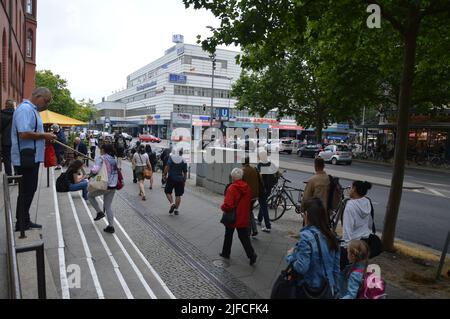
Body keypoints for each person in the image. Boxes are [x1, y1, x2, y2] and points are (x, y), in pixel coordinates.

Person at [11, 87, 56, 231]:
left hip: (31, 157)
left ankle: (25, 220)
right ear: (38, 96)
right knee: (26, 191)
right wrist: (45, 136)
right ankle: (21, 224)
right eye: (46, 101)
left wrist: (45, 137)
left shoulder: (32, 110)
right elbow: (23, 133)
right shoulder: (25, 109)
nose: (46, 104)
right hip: (25, 159)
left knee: (29, 190)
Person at [286, 198, 340, 298]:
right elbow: (336, 268)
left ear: (306, 214)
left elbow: (302, 267)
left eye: (303, 214)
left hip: (311, 289)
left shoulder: (306, 237)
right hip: (329, 288)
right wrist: (335, 289)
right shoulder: (332, 236)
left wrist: (290, 256)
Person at [220, 168, 258, 265]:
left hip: (232, 216)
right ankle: (252, 255)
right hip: (242, 216)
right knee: (244, 237)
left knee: (228, 235)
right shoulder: (247, 188)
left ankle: (225, 253)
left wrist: (222, 207)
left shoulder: (232, 188)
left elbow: (228, 205)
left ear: (232, 177)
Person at [340, 181, 373, 270]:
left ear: (354, 189)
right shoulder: (367, 202)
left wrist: (346, 248)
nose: (349, 190)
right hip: (364, 243)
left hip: (353, 245)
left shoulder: (350, 206)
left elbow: (347, 229)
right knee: (359, 271)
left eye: (350, 188)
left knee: (345, 272)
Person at [89, 143, 119, 234]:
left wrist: (91, 171)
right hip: (113, 185)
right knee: (108, 206)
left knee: (89, 195)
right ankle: (111, 226)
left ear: (103, 150)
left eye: (101, 149)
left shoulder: (101, 158)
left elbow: (95, 170)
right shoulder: (113, 159)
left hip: (104, 184)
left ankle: (99, 212)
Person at [256, 150, 278, 233]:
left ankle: (267, 226)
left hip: (262, 189)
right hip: (269, 188)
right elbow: (277, 173)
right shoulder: (271, 164)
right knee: (263, 203)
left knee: (264, 206)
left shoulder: (260, 164)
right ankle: (259, 219)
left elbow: (259, 177)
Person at [163, 147, 187, 216]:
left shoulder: (171, 158)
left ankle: (172, 203)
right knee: (178, 195)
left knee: (167, 191)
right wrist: (184, 181)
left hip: (171, 178)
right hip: (180, 179)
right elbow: (185, 172)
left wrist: (164, 175)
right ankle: (176, 210)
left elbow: (167, 166)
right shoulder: (184, 160)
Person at [242, 157, 261, 237]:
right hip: (255, 194)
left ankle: (249, 232)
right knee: (250, 211)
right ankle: (254, 230)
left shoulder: (243, 171)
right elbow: (260, 180)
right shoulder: (254, 169)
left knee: (248, 212)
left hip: (248, 196)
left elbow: (241, 184)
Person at [0, 99, 16, 179]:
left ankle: (9, 178)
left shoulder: (2, 114)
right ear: (13, 105)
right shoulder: (17, 114)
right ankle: (17, 177)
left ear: (5, 105)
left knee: (7, 160)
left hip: (5, 141)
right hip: (15, 140)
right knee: (16, 158)